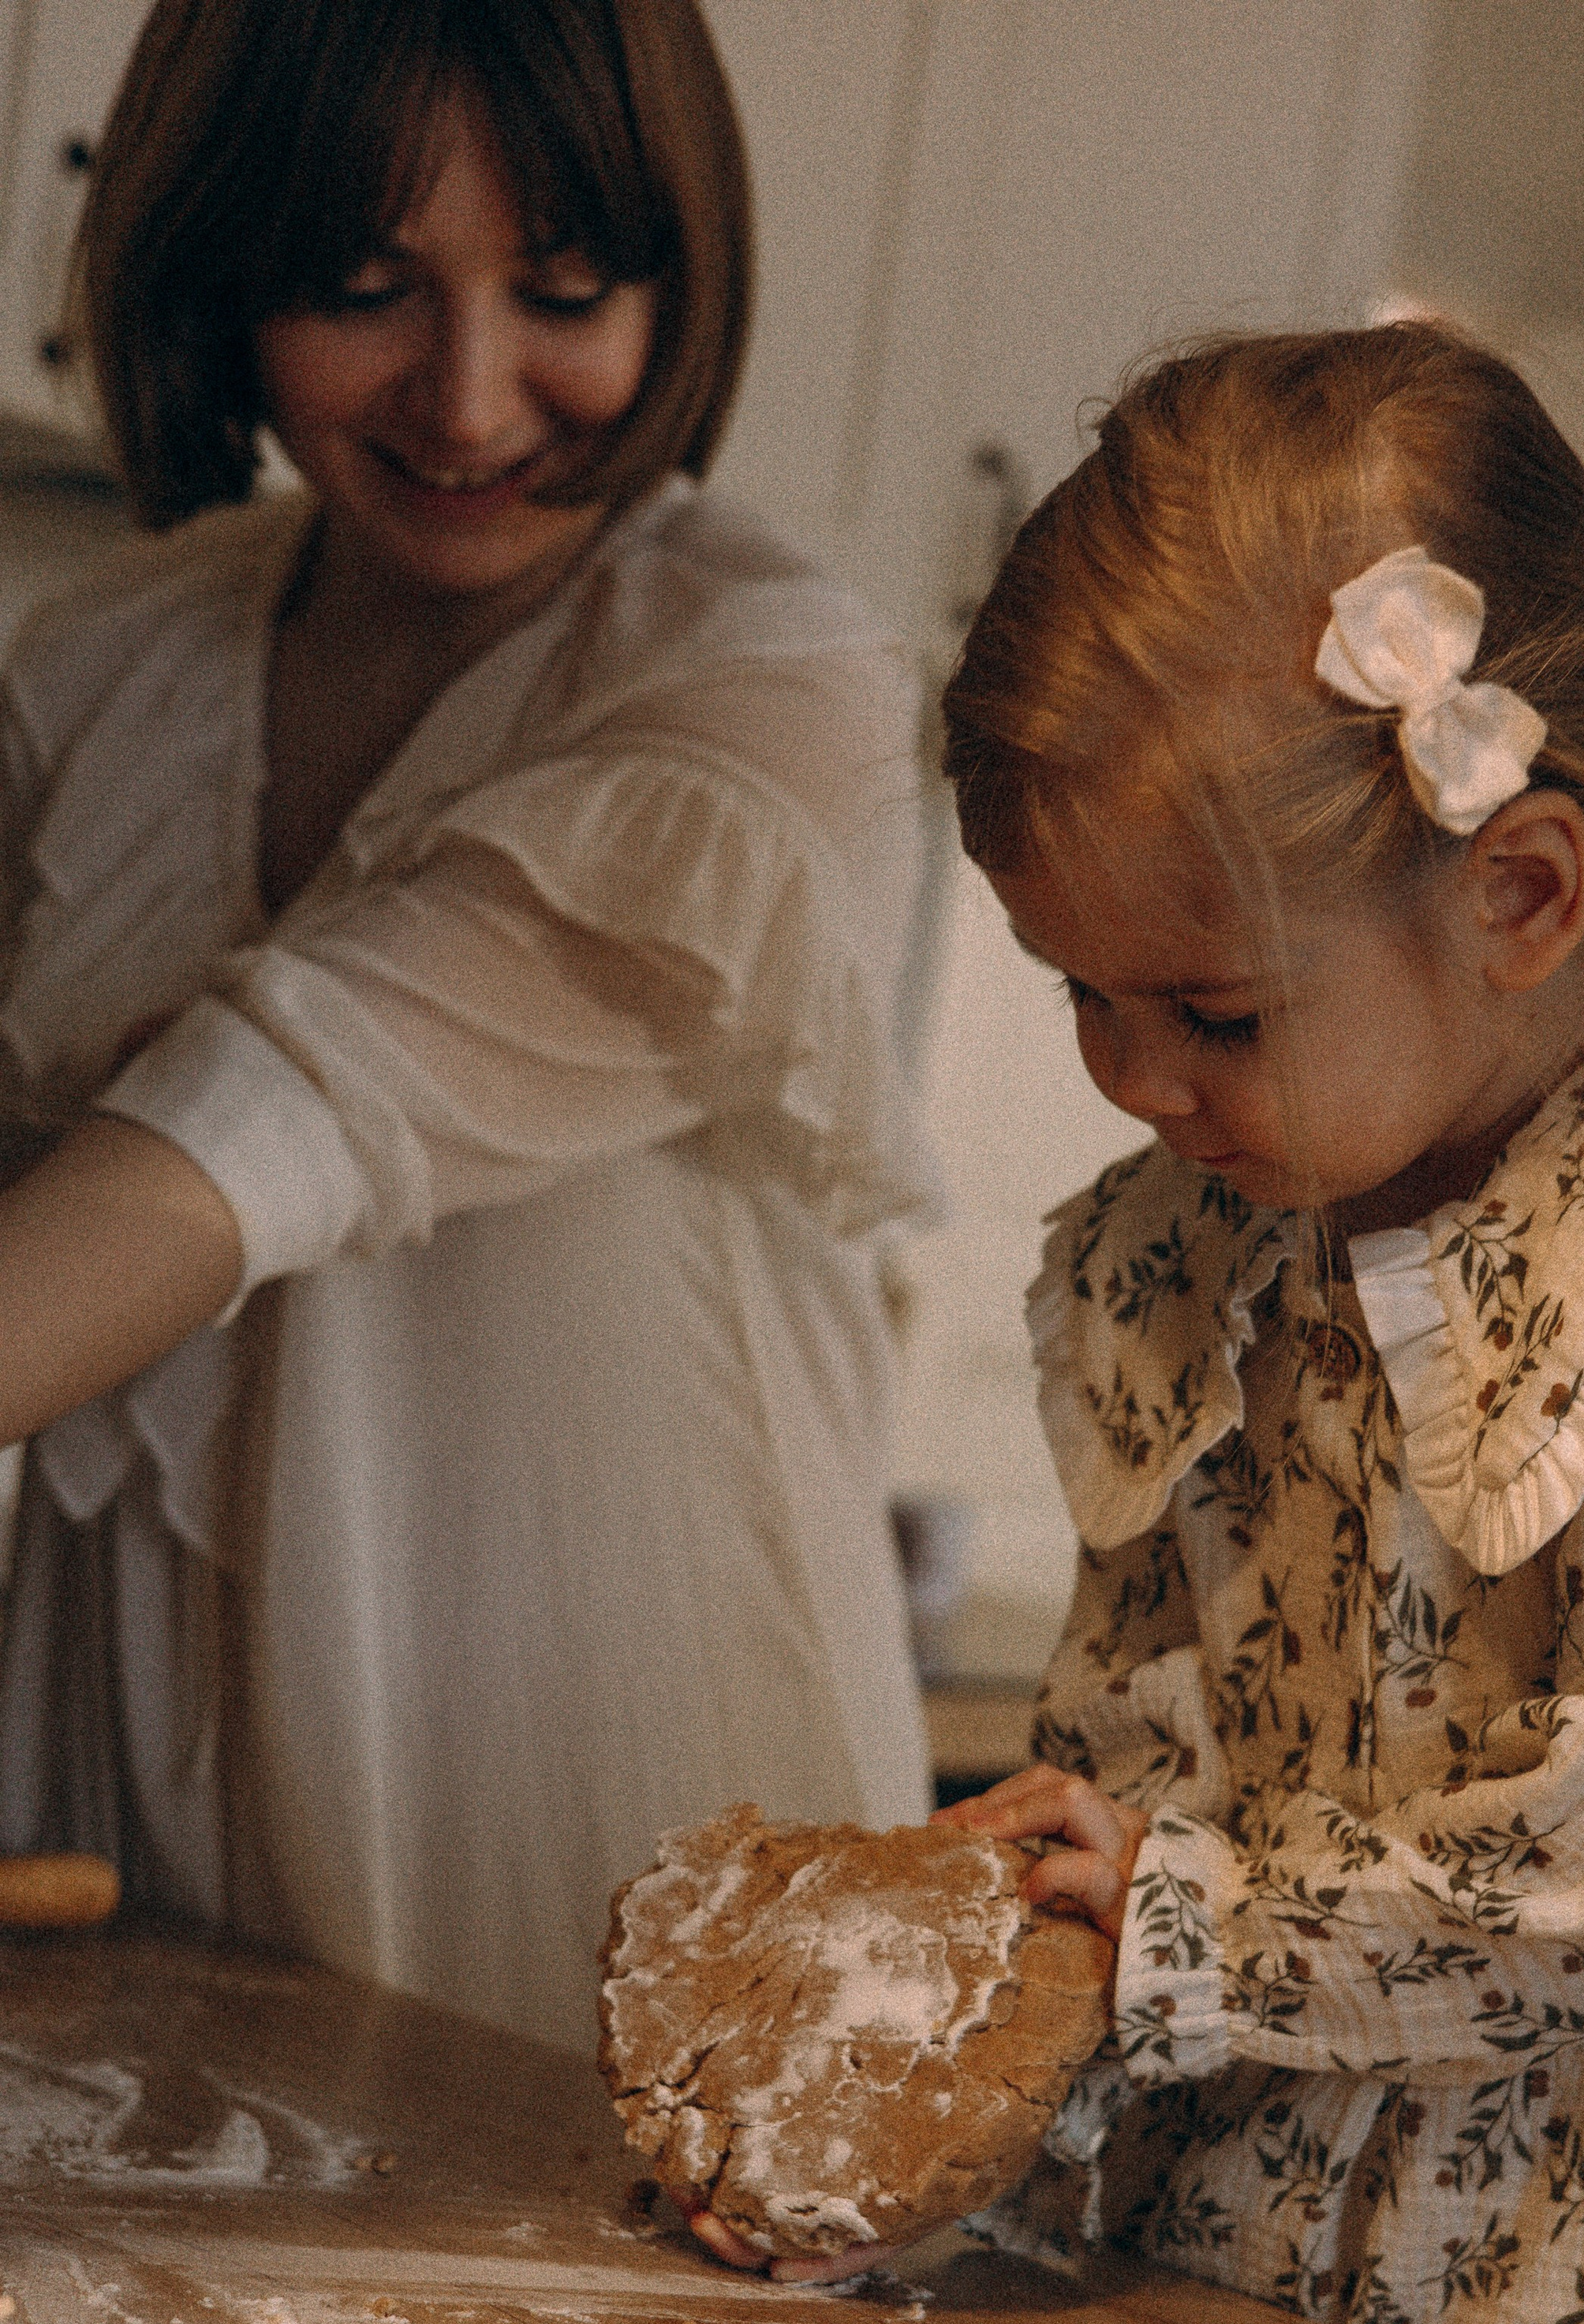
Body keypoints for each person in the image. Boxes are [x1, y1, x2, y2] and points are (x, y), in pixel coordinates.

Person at [715, 323, 1584, 2324]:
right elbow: (1142, 1761)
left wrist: (1189, 1927)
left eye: (1207, 1011)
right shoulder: (1213, 1236)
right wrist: (979, 2072)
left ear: (1518, 896)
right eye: (1079, 995)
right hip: (1247, 2264)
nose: (1131, 1079)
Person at [0, 0, 934, 2046]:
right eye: (362, 289)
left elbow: (282, 1115)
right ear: (222, 267)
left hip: (604, 1881)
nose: (474, 391)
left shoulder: (771, 690)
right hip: (134, 1868)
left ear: (678, 282)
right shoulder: (94, 678)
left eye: (568, 291)